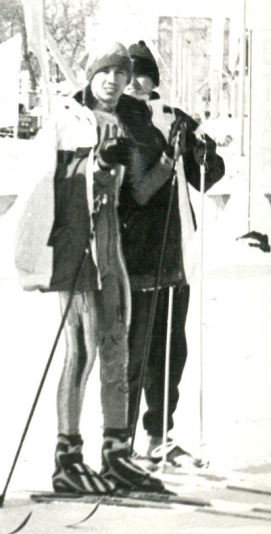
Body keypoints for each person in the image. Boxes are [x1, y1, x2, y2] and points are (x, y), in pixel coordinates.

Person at [15, 42, 172, 494]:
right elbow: (46, 184)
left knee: (116, 347)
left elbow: (138, 192)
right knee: (81, 350)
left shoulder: (123, 121)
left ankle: (116, 453)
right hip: (77, 245)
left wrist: (167, 159)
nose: (113, 81)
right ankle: (67, 456)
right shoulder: (67, 120)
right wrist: (94, 164)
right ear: (89, 74)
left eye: (121, 75)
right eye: (105, 72)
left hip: (111, 248)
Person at [121, 40, 225, 464]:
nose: (136, 82)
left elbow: (207, 176)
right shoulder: (119, 119)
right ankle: (119, 438)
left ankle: (159, 433)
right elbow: (135, 188)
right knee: (136, 346)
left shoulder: (172, 117)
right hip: (138, 246)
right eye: (128, 74)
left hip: (176, 247)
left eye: (143, 74)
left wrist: (204, 153)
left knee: (170, 348)